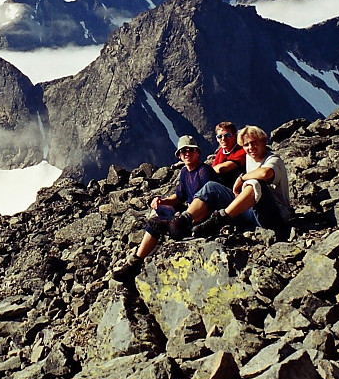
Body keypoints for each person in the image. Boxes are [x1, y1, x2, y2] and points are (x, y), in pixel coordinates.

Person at [112, 134, 218, 282]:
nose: (187, 153)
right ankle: (136, 261)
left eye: (190, 150)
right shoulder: (184, 172)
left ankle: (137, 261)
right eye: (183, 151)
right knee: (158, 216)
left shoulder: (204, 171)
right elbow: (180, 196)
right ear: (179, 156)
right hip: (186, 215)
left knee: (157, 223)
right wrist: (162, 201)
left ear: (197, 152)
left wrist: (189, 217)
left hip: (199, 218)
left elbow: (211, 199)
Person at [171, 125, 291, 239]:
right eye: (246, 145)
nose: (250, 148)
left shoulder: (274, 159)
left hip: (275, 216)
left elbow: (265, 174)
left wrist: (242, 178)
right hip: (252, 212)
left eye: (254, 143)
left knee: (255, 182)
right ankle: (184, 221)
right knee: (211, 187)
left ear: (263, 141)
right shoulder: (250, 157)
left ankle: (218, 220)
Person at [205, 121, 245, 189]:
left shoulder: (242, 149)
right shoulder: (221, 151)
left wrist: (203, 173)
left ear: (235, 136)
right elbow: (214, 169)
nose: (223, 139)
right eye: (219, 136)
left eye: (227, 135)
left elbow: (223, 168)